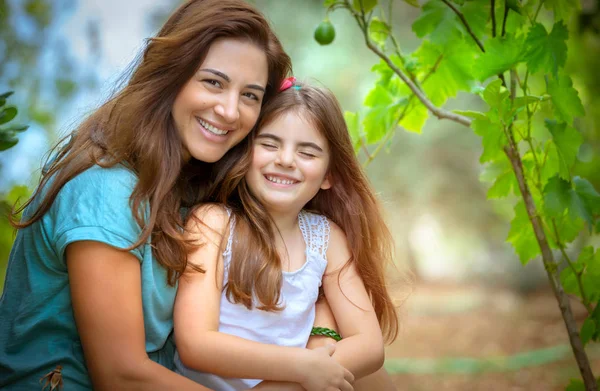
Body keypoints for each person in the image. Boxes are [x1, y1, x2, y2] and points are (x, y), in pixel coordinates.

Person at [0, 1, 343, 389]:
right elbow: (121, 376)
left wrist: (321, 337)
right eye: (213, 82)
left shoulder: (194, 186)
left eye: (250, 95)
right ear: (171, 75)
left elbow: (301, 283)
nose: (230, 111)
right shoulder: (105, 188)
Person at [173, 79, 399, 390]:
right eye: (269, 144)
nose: (285, 159)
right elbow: (196, 344)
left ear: (329, 175)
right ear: (244, 153)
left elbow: (370, 345)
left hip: (294, 382)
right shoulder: (213, 224)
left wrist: (298, 378)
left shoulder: (326, 238)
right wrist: (302, 367)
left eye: (307, 152)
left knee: (372, 379)